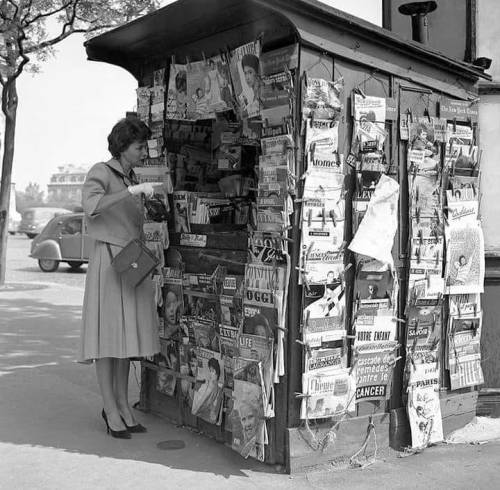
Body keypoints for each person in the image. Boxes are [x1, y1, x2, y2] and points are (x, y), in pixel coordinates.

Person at [79, 116, 161, 439]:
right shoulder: (101, 171)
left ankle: (124, 406)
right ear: (124, 146)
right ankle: (110, 409)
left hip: (131, 258)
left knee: (127, 340)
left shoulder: (132, 176)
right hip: (108, 259)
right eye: (140, 147)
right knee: (107, 338)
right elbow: (91, 207)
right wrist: (130, 190)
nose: (143, 152)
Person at [191, 357, 223, 423]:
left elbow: (213, 394)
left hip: (208, 399)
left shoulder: (216, 383)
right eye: (210, 371)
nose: (211, 373)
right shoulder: (209, 381)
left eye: (213, 371)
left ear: (216, 371)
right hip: (206, 397)